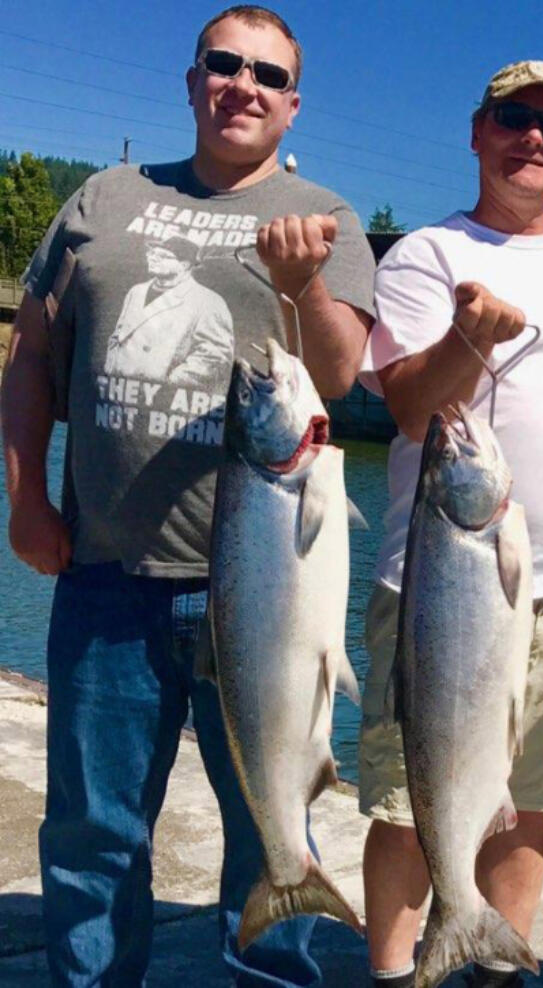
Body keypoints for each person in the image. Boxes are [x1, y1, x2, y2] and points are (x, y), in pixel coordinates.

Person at [1, 6, 375, 985]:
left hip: (260, 598)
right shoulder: (104, 199)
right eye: (224, 63)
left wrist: (301, 289)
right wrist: (27, 497)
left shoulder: (324, 217)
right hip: (104, 580)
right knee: (90, 838)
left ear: (293, 104)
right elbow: (33, 355)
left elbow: (335, 376)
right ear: (193, 79)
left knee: (270, 830)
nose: (242, 85)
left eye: (266, 74)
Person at [356, 60, 543, 988]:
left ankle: (492, 962)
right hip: (440, 581)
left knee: (530, 800)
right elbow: (413, 414)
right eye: (514, 118)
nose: (533, 138)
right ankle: (393, 973)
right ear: (478, 132)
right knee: (406, 800)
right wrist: (467, 339)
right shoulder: (426, 255)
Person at [104, 235, 234, 388]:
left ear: (185, 265)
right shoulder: (137, 291)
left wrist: (170, 382)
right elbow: (118, 336)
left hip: (162, 397)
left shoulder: (208, 301)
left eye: (163, 256)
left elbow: (215, 356)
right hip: (117, 390)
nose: (153, 258)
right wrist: (111, 367)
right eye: (152, 253)